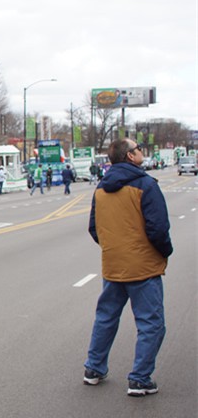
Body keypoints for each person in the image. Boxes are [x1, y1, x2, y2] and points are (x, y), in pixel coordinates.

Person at [83, 139, 173, 397]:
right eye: (138, 149)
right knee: (151, 323)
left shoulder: (101, 189)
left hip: (113, 264)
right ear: (130, 156)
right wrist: (164, 252)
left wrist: (114, 246)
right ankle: (139, 378)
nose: (141, 152)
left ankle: (94, 368)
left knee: (106, 317)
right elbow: (158, 228)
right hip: (143, 267)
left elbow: (94, 228)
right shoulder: (146, 185)